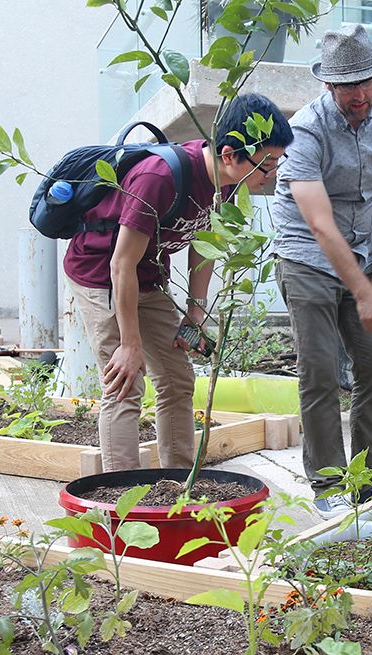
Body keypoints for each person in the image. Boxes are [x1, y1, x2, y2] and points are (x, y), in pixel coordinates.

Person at [64, 93, 293, 472]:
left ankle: (180, 482)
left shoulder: (229, 183)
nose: (272, 176)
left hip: (149, 277)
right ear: (229, 154)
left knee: (176, 378)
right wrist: (129, 343)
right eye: (266, 166)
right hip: (100, 275)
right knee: (125, 383)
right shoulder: (160, 178)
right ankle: (126, 497)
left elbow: (204, 245)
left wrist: (195, 313)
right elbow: (120, 263)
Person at [271, 25, 372, 516]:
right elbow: (320, 223)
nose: (361, 94)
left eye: (368, 81)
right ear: (328, 86)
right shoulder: (305, 131)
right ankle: (328, 487)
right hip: (306, 256)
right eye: (349, 85)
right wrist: (365, 295)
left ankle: (365, 485)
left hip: (362, 256)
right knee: (322, 371)